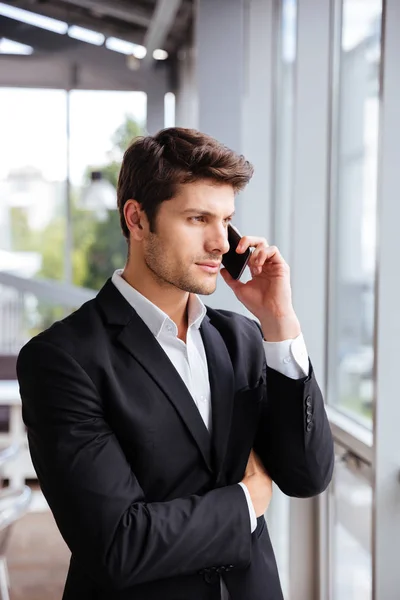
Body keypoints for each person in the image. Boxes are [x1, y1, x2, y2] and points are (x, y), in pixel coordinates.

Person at [17, 127, 334, 600]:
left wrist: (279, 321)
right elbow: (119, 545)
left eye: (225, 220)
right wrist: (245, 501)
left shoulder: (244, 338)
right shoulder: (62, 359)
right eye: (197, 218)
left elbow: (307, 475)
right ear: (137, 219)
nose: (220, 243)